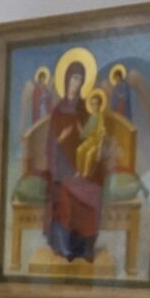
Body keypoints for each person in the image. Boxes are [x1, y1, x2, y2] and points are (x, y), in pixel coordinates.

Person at [38, 58, 107, 263]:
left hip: (83, 165)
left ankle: (85, 248)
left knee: (91, 192)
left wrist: (96, 151)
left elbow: (93, 134)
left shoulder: (86, 109)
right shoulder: (58, 111)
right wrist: (62, 138)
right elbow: (51, 145)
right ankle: (65, 246)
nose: (76, 83)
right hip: (62, 167)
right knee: (65, 193)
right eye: (74, 78)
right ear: (67, 79)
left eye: (80, 79)